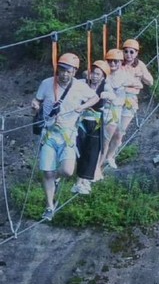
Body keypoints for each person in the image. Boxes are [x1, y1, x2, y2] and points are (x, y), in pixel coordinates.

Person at [30, 53, 99, 220]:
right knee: (47, 172)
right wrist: (35, 104)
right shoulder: (46, 83)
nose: (64, 74)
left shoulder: (80, 87)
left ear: (74, 72)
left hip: (68, 133)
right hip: (49, 134)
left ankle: (55, 178)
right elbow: (37, 100)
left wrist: (82, 107)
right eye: (62, 70)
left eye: (68, 71)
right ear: (57, 70)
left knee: (67, 171)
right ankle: (49, 206)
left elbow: (95, 97)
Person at [73, 60, 116, 195]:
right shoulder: (83, 83)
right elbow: (72, 85)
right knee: (78, 149)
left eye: (98, 74)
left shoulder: (105, 86)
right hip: (81, 121)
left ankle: (83, 181)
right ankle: (76, 179)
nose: (95, 76)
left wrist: (107, 95)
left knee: (91, 152)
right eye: (93, 73)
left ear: (103, 76)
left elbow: (113, 96)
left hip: (95, 122)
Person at [100, 48, 138, 170]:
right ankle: (95, 168)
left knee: (115, 135)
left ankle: (105, 160)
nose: (112, 64)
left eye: (116, 62)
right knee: (100, 140)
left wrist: (127, 84)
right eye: (110, 61)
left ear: (120, 62)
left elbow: (140, 84)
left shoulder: (124, 75)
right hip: (102, 109)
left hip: (115, 110)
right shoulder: (103, 73)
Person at [118, 38, 153, 150]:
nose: (128, 55)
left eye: (131, 52)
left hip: (130, 99)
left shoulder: (140, 65)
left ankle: (113, 152)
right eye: (126, 51)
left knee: (120, 130)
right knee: (111, 128)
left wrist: (141, 74)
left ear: (136, 53)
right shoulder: (118, 62)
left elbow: (150, 82)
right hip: (116, 98)